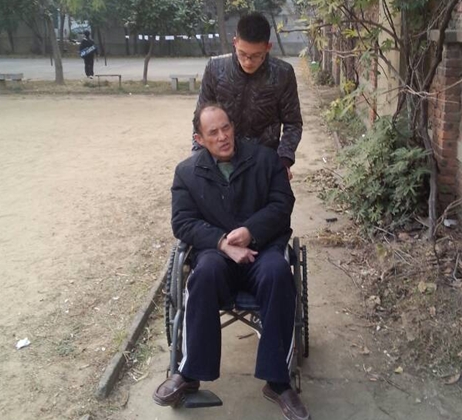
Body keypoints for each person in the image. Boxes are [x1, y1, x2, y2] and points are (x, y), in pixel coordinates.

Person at [153, 103, 310, 420]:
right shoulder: (187, 173)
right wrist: (222, 243)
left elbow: (282, 204)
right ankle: (190, 373)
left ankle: (278, 382)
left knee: (278, 272)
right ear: (199, 139)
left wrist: (250, 231)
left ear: (233, 127)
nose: (223, 136)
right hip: (217, 255)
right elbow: (182, 222)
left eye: (226, 127)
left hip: (262, 250)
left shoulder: (265, 160)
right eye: (213, 132)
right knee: (203, 273)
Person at [193, 12, 303, 180]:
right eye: (242, 54)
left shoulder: (282, 73)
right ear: (235, 42)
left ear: (268, 47)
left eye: (256, 55)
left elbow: (293, 123)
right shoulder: (215, 68)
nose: (248, 62)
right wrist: (198, 158)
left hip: (264, 161)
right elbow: (201, 119)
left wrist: (283, 161)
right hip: (221, 161)